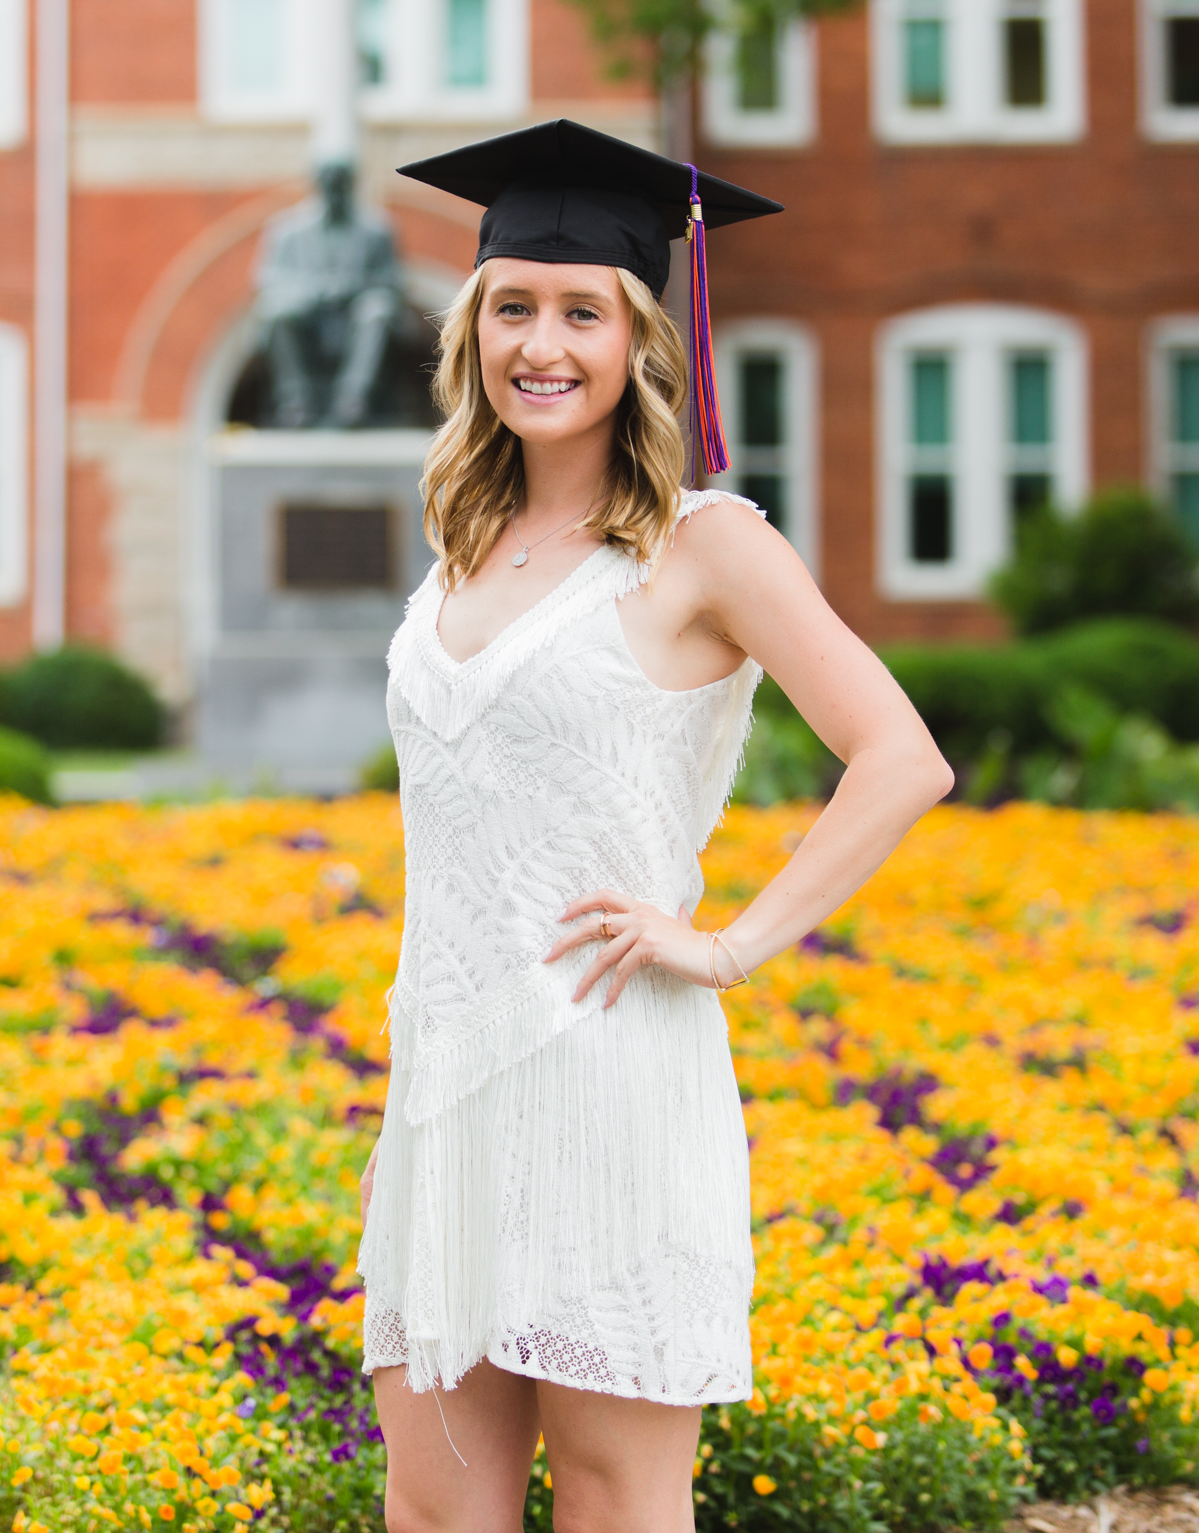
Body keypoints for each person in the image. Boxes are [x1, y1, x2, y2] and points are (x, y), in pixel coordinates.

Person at [353, 119, 957, 1533]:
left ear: (640, 339)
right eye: (513, 307)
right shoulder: (461, 542)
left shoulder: (706, 546)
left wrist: (733, 944)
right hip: (446, 1083)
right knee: (433, 1510)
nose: (541, 343)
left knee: (620, 1500)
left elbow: (899, 757)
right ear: (473, 328)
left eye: (583, 312)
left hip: (612, 1076)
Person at [252, 160, 405, 429]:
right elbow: (269, 280)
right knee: (278, 313)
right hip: (307, 317)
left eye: (341, 184)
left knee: (377, 310)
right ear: (318, 185)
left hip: (353, 317)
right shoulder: (288, 232)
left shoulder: (376, 231)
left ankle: (353, 398)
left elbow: (391, 280)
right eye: (329, 184)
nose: (335, 191)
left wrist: (351, 288)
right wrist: (313, 291)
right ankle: (296, 400)